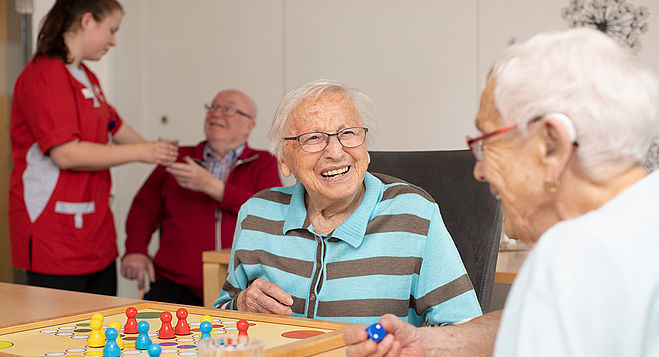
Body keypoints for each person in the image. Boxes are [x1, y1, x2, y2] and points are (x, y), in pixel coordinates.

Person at [344, 28, 659, 357]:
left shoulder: (574, 254)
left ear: (550, 144)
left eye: (487, 142)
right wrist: (432, 346)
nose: (478, 168)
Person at [214, 79, 482, 327]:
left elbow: (463, 327)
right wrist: (241, 304)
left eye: (348, 133)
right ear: (284, 160)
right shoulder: (257, 214)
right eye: (313, 138)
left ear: (365, 147)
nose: (335, 151)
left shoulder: (414, 213)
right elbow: (219, 318)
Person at [9, 0, 178, 296]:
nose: (113, 41)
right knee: (61, 333)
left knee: (101, 330)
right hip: (55, 234)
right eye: (111, 30)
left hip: (94, 232)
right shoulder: (45, 74)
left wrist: (164, 156)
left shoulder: (86, 76)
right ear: (87, 21)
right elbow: (66, 153)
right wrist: (144, 153)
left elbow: (114, 126)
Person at [121, 89, 281, 306]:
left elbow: (271, 212)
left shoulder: (264, 162)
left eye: (228, 109)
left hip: (243, 288)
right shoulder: (177, 157)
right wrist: (135, 251)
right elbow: (143, 209)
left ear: (249, 124)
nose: (216, 114)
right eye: (213, 107)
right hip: (175, 284)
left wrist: (213, 187)